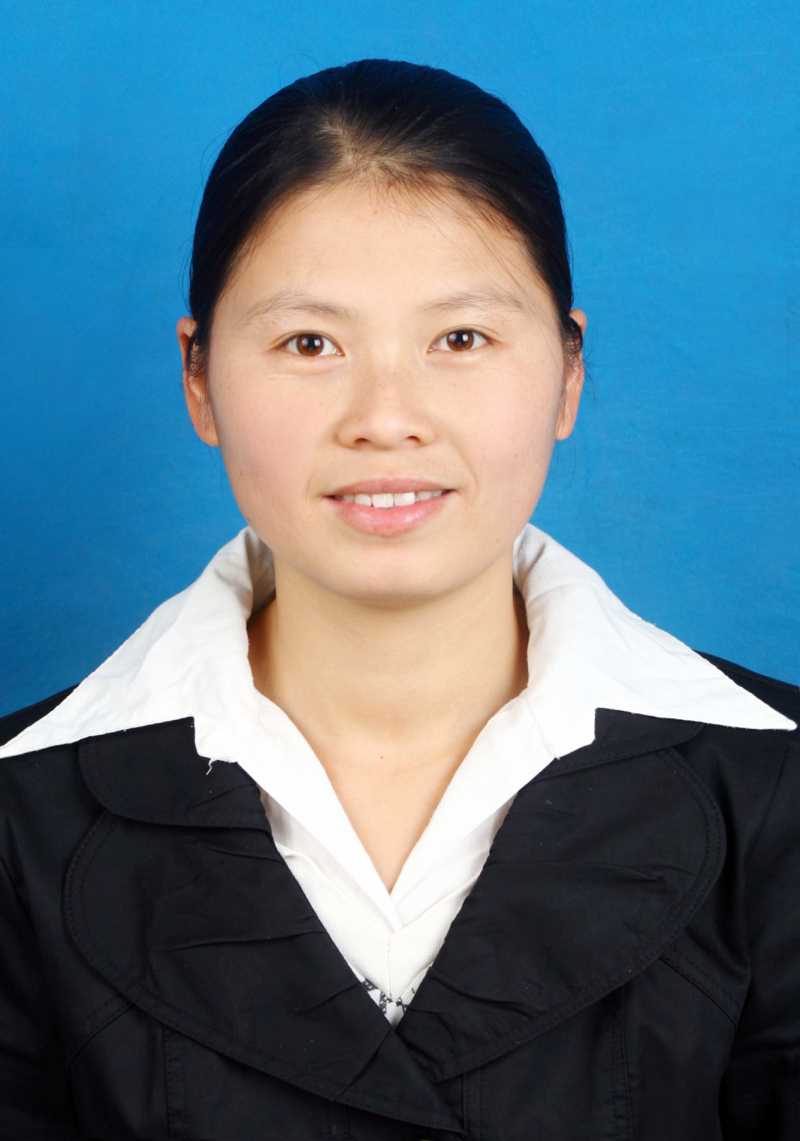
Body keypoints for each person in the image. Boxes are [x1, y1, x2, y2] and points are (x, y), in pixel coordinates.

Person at [0, 57, 797, 1140]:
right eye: (310, 343)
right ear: (199, 378)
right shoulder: (21, 817)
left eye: (459, 339)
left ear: (568, 372)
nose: (384, 416)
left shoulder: (775, 792)